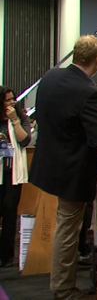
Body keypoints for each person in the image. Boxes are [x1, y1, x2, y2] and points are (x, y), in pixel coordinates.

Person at [29, 34, 97, 300]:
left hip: (48, 164)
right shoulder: (89, 93)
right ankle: (63, 289)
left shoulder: (50, 77)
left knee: (64, 226)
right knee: (67, 230)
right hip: (73, 171)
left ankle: (62, 284)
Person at [0, 86, 31, 268]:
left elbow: (24, 140)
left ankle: (6, 256)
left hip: (12, 173)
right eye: (8, 100)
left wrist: (14, 120)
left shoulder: (21, 117)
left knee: (9, 212)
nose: (12, 102)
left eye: (13, 99)